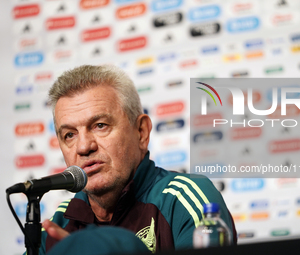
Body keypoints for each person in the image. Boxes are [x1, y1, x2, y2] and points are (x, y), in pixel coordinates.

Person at [37, 65, 236, 254]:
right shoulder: (58, 224)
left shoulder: (185, 200)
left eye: (100, 125)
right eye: (69, 135)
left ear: (141, 132)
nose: (83, 147)